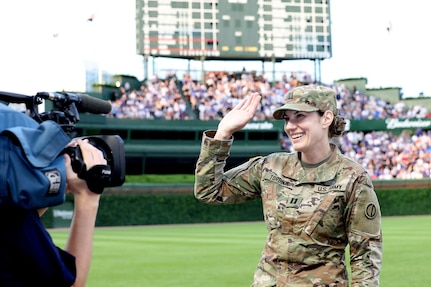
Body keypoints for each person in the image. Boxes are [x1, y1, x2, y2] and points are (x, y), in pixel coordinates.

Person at [194, 85, 383, 286]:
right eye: (287, 119)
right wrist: (222, 133)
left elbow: (365, 258)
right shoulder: (271, 166)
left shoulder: (352, 177)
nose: (290, 126)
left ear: (326, 119)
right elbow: (209, 191)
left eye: (300, 116)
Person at [0, 138, 106, 287]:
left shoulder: (13, 218)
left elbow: (13, 236)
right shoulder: (12, 216)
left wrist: (56, 187)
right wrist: (87, 197)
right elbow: (71, 284)